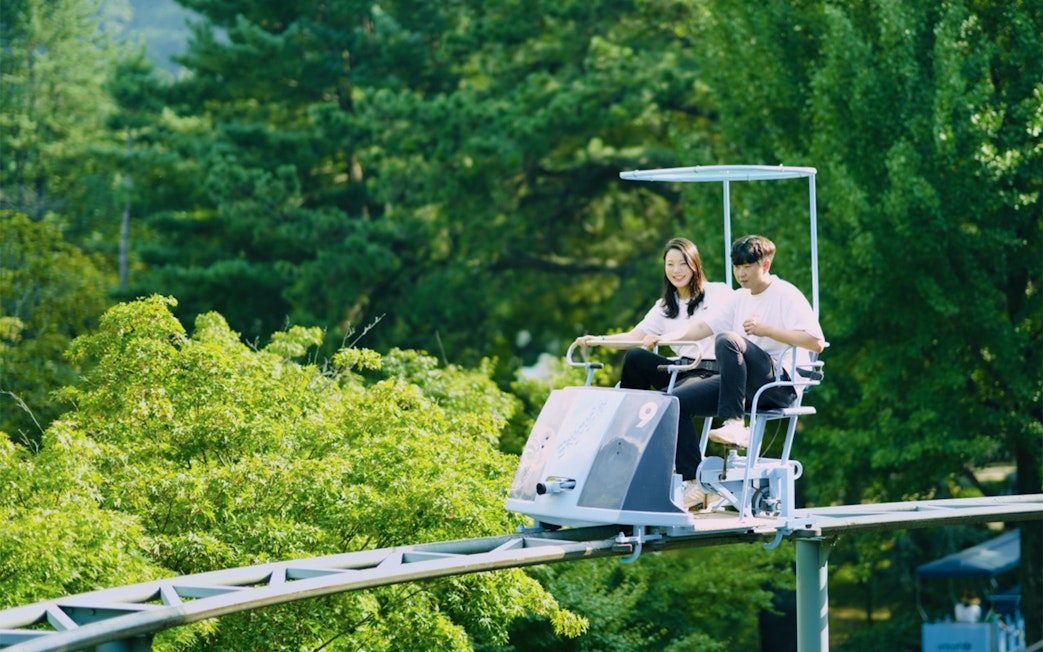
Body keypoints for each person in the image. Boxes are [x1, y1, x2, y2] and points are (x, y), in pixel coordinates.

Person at [575, 237, 735, 510]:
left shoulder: (717, 292)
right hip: (681, 367)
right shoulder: (666, 304)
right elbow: (634, 337)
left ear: (695, 264)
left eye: (682, 263)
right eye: (670, 265)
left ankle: (693, 480)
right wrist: (598, 339)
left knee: (670, 400)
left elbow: (709, 327)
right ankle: (627, 443)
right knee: (637, 357)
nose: (676, 270)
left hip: (711, 371)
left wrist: (664, 338)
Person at [663, 234, 825, 454]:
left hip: (778, 384)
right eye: (737, 267)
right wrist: (667, 338)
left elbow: (816, 343)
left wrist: (766, 330)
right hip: (741, 385)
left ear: (765, 265)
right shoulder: (739, 298)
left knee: (728, 340)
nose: (741, 274)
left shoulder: (786, 293)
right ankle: (693, 481)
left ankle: (735, 423)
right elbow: (703, 328)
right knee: (676, 403)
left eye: (747, 267)